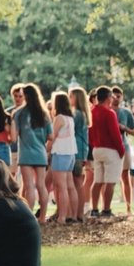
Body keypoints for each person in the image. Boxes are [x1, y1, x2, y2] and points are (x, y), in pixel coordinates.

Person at [13, 83, 51, 222]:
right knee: (41, 185)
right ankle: (42, 217)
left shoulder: (19, 113)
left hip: (26, 155)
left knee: (29, 186)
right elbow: (51, 136)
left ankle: (28, 217)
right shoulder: (44, 113)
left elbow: (13, 135)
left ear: (26, 96)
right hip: (40, 153)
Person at [89, 86, 124, 219]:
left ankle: (94, 209)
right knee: (110, 181)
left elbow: (90, 133)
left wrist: (94, 145)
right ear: (108, 97)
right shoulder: (109, 113)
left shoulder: (92, 111)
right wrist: (121, 150)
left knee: (97, 180)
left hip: (97, 149)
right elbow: (115, 134)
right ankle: (106, 209)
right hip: (110, 149)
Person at [47, 91, 79, 224]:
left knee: (61, 186)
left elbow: (52, 137)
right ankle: (73, 215)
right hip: (71, 153)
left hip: (60, 153)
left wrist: (46, 150)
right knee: (70, 185)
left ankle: (62, 216)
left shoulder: (59, 118)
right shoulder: (70, 118)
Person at [69, 87, 92, 220]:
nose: (69, 99)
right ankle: (79, 214)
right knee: (78, 183)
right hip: (82, 150)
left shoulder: (76, 114)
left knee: (76, 183)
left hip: (76, 150)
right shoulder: (83, 114)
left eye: (71, 96)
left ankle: (76, 213)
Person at [112, 87, 134, 209]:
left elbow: (133, 132)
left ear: (122, 97)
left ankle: (128, 208)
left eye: (119, 96)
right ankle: (104, 207)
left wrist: (124, 127)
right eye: (114, 96)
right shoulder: (107, 110)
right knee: (107, 178)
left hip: (124, 146)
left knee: (125, 176)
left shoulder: (126, 112)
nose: (116, 98)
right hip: (109, 147)